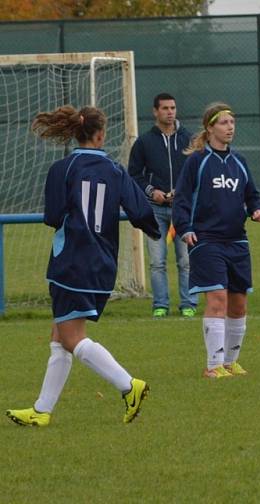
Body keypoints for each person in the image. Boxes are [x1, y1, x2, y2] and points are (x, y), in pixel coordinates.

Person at [6, 105, 160, 427]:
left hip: (71, 262)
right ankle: (42, 410)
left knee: (71, 337)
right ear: (101, 135)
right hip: (102, 264)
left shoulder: (62, 168)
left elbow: (52, 217)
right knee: (59, 334)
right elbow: (140, 212)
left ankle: (128, 385)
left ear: (74, 132)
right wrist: (155, 229)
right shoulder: (116, 171)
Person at [172, 102, 260, 379]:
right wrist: (185, 228)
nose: (230, 128)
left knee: (239, 304)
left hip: (237, 241)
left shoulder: (239, 162)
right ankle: (213, 365)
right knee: (217, 299)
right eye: (224, 123)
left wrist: (257, 208)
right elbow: (182, 199)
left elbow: (252, 194)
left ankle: (229, 362)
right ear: (210, 127)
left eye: (232, 123)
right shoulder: (197, 162)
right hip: (207, 240)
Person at [128, 92, 197, 318]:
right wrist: (152, 192)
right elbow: (134, 175)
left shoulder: (190, 139)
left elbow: (198, 172)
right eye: (165, 108)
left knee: (186, 260)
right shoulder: (144, 142)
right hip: (155, 211)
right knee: (157, 262)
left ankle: (188, 304)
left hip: (183, 210)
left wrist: (183, 190)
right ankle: (160, 305)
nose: (170, 112)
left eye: (173, 108)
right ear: (155, 111)